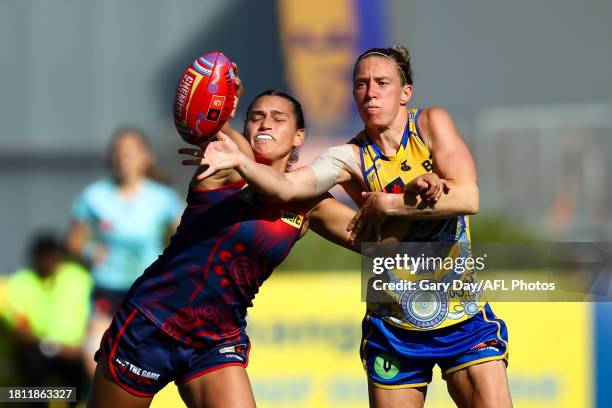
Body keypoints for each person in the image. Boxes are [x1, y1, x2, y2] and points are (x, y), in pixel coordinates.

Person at [197, 45, 511, 407]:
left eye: (382, 83)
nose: (371, 92)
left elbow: (468, 199)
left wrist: (390, 202)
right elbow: (286, 186)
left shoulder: (429, 124)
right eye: (361, 84)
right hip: (393, 327)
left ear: (405, 92)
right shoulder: (347, 157)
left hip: (462, 318)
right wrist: (229, 139)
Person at [87, 86, 409, 408]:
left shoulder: (307, 204)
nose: (265, 124)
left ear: (299, 136)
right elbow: (208, 123)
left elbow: (384, 245)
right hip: (153, 324)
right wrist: (222, 96)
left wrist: (416, 204)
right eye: (256, 117)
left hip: (216, 341)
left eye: (277, 118)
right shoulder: (228, 166)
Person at [67, 128, 183, 377]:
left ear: (146, 157)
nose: (123, 159)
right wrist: (89, 251)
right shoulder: (93, 196)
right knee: (95, 358)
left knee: (144, 364)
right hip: (107, 288)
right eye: (118, 154)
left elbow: (186, 235)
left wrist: (172, 263)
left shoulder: (163, 198)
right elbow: (73, 241)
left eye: (130, 153)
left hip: (147, 290)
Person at [2, 233, 92, 406]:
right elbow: (19, 330)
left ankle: (76, 400)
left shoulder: (78, 278)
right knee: (31, 361)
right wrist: (52, 347)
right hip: (38, 350)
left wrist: (82, 346)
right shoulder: (22, 281)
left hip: (76, 353)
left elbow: (94, 318)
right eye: (44, 257)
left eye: (52, 256)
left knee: (86, 364)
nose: (48, 261)